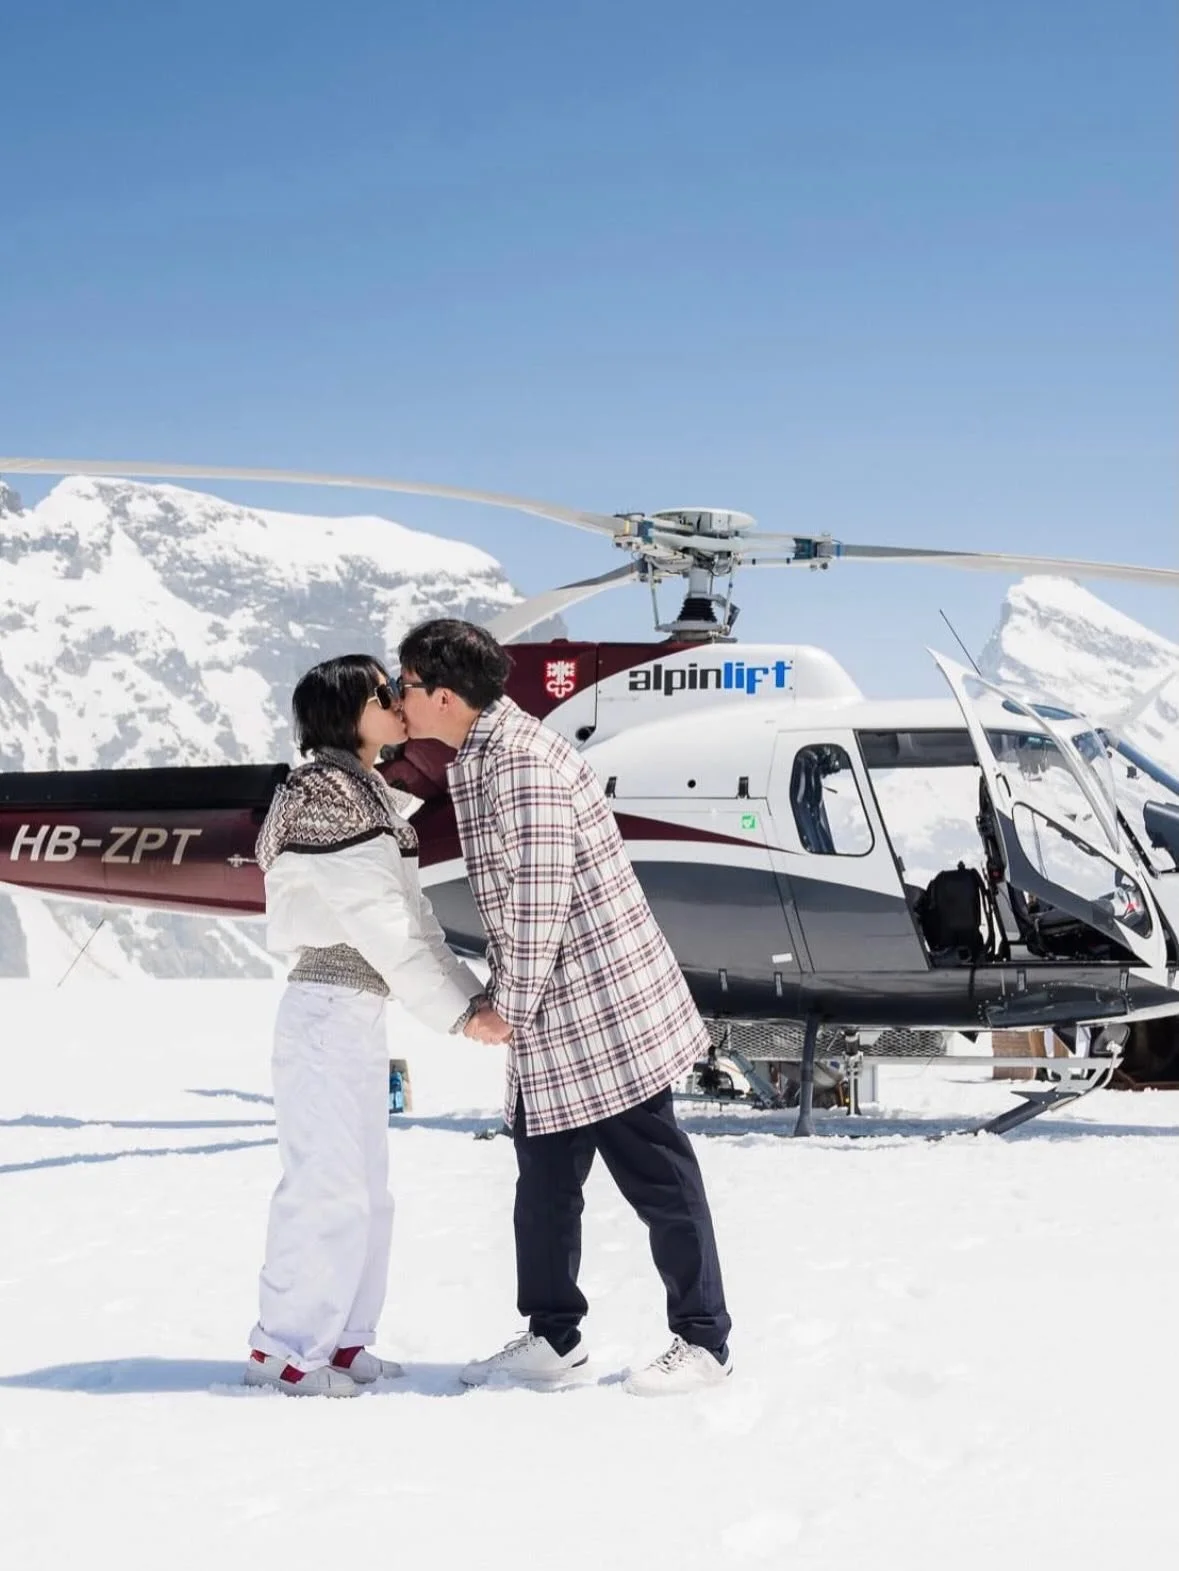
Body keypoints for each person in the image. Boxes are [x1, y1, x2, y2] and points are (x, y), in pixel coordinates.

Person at [394, 619, 733, 1396]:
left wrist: (503, 1007)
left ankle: (704, 1339)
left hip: (601, 1010)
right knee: (543, 1182)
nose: (399, 698)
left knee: (656, 1175)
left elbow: (538, 898)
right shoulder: (485, 753)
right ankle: (553, 1337)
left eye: (406, 685)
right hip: (555, 1012)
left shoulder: (521, 765)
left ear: (442, 695)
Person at [244, 654, 494, 1397]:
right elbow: (382, 926)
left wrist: (470, 998)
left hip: (353, 1012)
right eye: (380, 692)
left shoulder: (366, 794)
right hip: (324, 1009)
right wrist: (461, 1012)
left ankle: (344, 1339)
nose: (395, 700)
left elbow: (412, 922)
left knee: (367, 1188)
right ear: (344, 711)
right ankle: (287, 1351)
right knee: (326, 1185)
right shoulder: (324, 793)